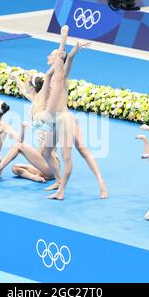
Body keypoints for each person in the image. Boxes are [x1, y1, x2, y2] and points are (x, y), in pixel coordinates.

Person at [42, 26, 108, 200]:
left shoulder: (61, 75)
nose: (48, 56)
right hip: (56, 121)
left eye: (52, 54)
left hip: (64, 120)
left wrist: (66, 40)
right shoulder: (51, 74)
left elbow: (67, 57)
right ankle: (58, 180)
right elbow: (59, 62)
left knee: (69, 156)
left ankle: (66, 190)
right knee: (46, 153)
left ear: (58, 59)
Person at [0, 72, 62, 189]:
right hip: (44, 165)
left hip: (51, 164)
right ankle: (36, 177)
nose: (25, 86)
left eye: (27, 84)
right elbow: (23, 90)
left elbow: (46, 148)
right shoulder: (35, 100)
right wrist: (16, 79)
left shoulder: (44, 102)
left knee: (18, 146)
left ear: (32, 87)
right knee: (15, 168)